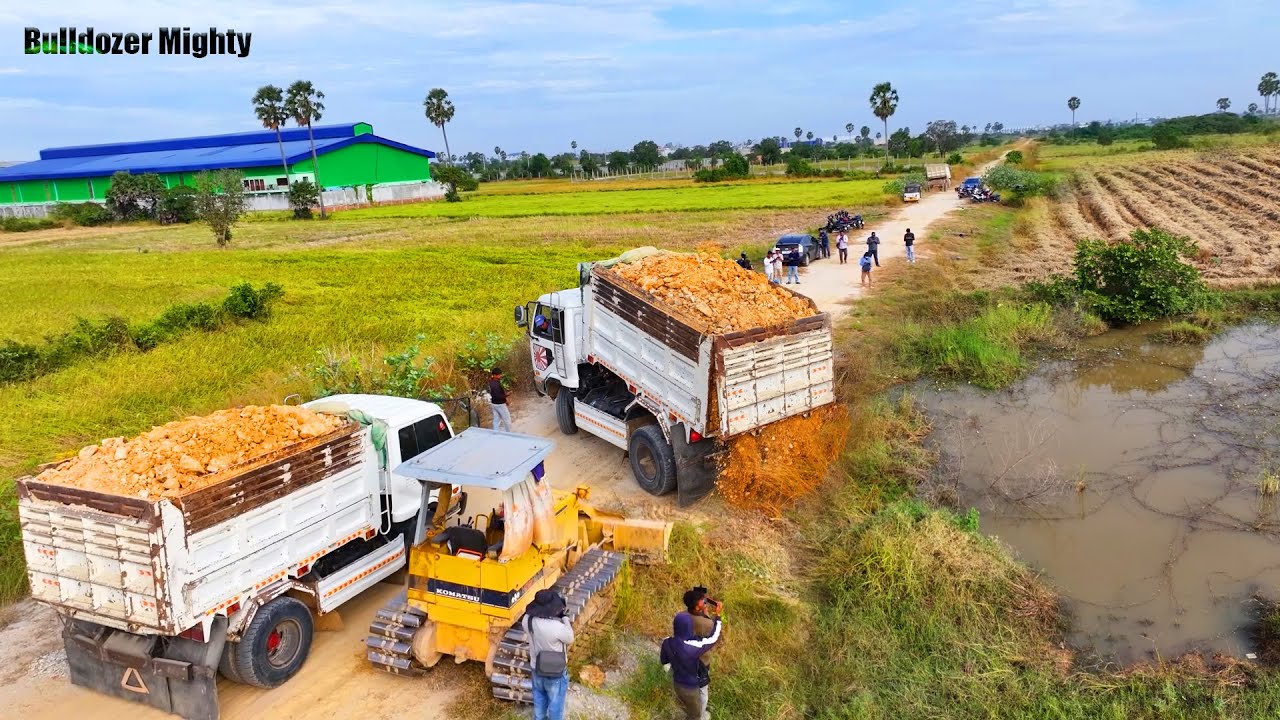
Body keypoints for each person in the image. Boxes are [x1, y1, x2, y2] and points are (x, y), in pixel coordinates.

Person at [661, 592, 723, 720]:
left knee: (689, 703)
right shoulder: (693, 647)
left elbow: (664, 661)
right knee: (696, 713)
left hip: (677, 683)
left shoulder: (667, 641)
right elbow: (714, 637)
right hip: (691, 686)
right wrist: (718, 616)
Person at [525, 589, 574, 720]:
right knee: (555, 707)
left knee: (539, 701)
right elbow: (570, 638)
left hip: (536, 668)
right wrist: (564, 618)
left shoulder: (527, 620)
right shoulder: (556, 627)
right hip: (555, 673)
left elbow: (540, 623)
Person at [488, 367, 512, 432]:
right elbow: (498, 396)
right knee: (507, 420)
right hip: (500, 404)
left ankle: (495, 433)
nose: (500, 376)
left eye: (500, 374)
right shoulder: (495, 384)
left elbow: (497, 394)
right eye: (499, 375)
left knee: (496, 420)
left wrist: (505, 400)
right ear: (494, 375)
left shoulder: (491, 382)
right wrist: (507, 395)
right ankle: (509, 434)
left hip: (494, 404)